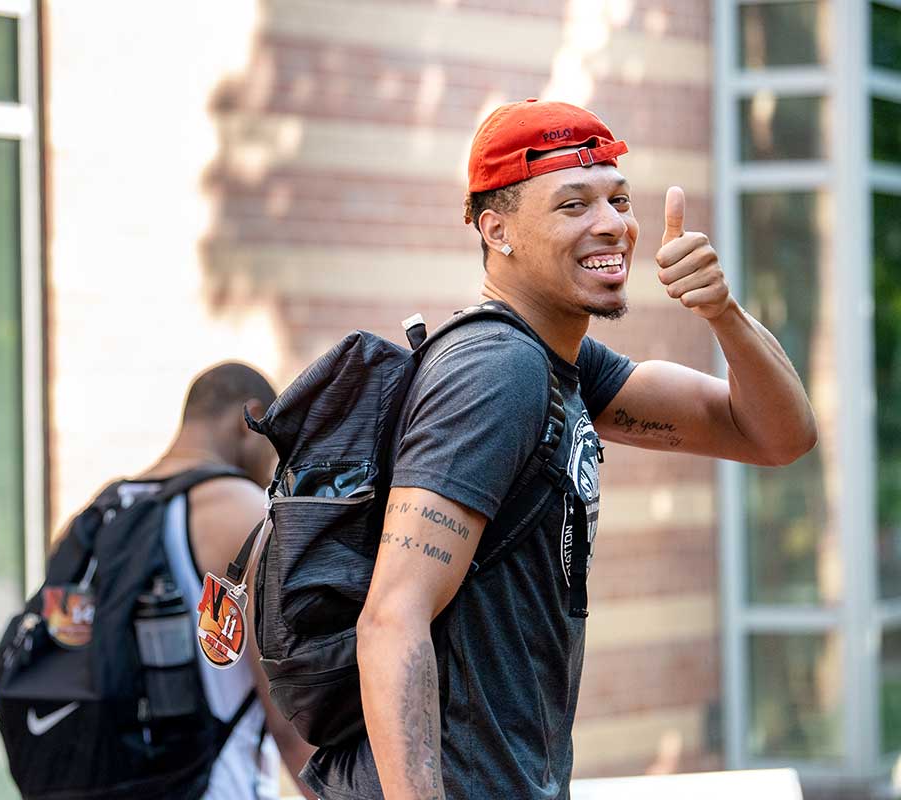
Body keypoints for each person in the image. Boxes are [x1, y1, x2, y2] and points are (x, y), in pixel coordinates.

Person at [298, 99, 818, 800]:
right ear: (497, 229)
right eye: (573, 205)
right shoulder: (496, 372)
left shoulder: (566, 368)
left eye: (618, 199)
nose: (612, 224)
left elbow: (776, 434)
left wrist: (722, 311)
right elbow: (393, 619)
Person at [123, 361, 319, 800]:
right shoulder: (242, 511)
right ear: (248, 418)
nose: (274, 466)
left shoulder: (100, 515)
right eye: (275, 446)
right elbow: (288, 714)